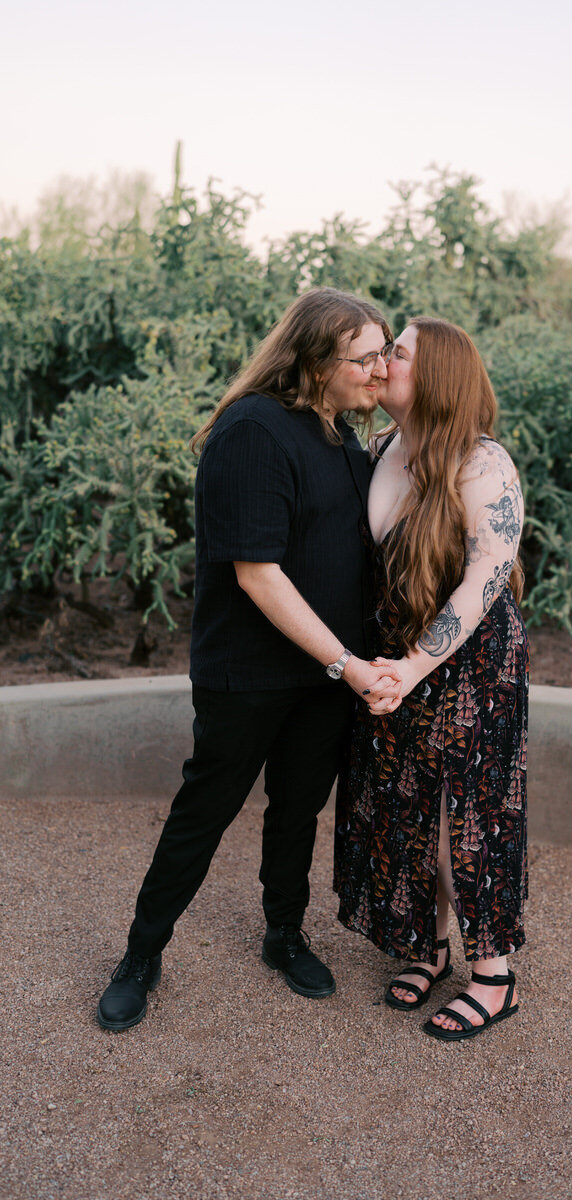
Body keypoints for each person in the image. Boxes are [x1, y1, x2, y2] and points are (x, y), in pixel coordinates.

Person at [97, 288, 401, 1031]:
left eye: (385, 353)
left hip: (325, 675)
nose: (380, 370)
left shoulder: (340, 433)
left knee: (297, 812)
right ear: (314, 357)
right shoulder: (254, 432)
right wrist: (350, 665)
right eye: (365, 357)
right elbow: (257, 573)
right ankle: (141, 955)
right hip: (250, 673)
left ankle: (283, 934)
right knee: (205, 814)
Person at [334, 317, 529, 1041]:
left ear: (437, 375)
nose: (383, 363)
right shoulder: (381, 449)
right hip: (394, 661)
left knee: (464, 818)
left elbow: (486, 578)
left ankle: (492, 976)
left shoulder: (483, 464)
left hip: (469, 663)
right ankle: (427, 944)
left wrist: (416, 665)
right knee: (404, 806)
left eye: (399, 352)